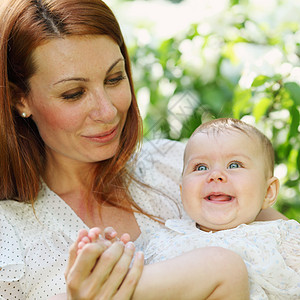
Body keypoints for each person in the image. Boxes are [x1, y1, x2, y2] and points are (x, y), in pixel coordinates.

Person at [0, 0, 286, 298]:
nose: (107, 111)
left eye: (114, 78)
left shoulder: (185, 166)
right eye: (74, 94)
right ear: (20, 99)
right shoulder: (9, 239)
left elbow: (288, 253)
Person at [141, 118, 299, 299]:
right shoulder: (163, 239)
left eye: (234, 165)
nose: (215, 175)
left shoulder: (282, 237)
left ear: (268, 192)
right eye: (201, 167)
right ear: (182, 191)